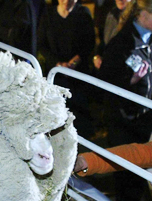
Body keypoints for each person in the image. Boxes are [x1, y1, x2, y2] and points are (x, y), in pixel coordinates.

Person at [95, 0, 152, 201]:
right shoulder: (122, 42)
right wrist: (131, 80)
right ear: (144, 15)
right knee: (124, 173)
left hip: (144, 118)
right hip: (122, 119)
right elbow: (105, 80)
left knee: (140, 171)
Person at [37, 0, 95, 138]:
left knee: (79, 116)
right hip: (55, 73)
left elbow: (89, 42)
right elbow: (41, 43)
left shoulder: (83, 14)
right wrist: (58, 64)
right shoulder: (48, 14)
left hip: (78, 74)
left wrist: (75, 61)